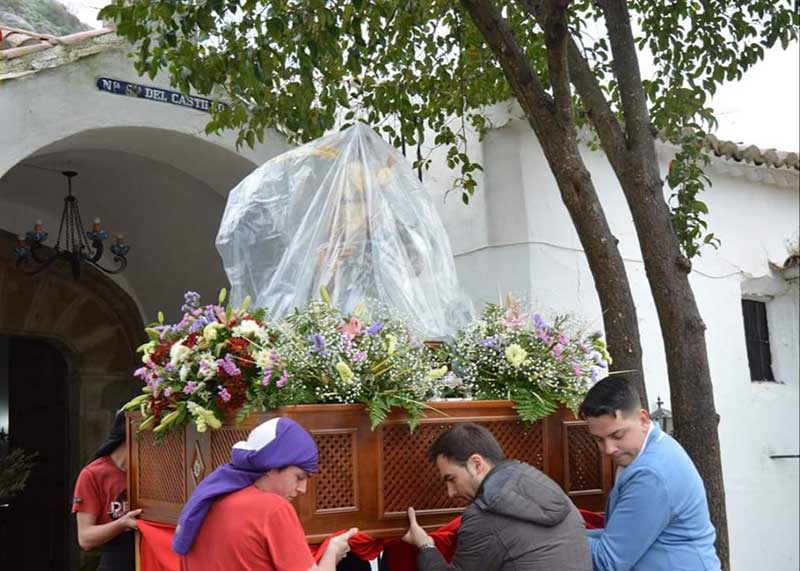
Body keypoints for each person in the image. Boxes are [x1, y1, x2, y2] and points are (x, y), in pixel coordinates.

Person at [174, 417, 356, 570]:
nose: (302, 489)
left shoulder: (206, 498)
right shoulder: (273, 508)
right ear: (271, 467)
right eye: (299, 477)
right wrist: (333, 551)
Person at [402, 422, 591, 570]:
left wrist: (426, 546)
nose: (450, 493)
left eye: (452, 479)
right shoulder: (546, 486)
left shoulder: (483, 516)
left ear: (476, 464)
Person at [580, 376, 721, 571]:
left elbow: (608, 561)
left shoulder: (651, 474)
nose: (609, 449)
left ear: (643, 420)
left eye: (617, 435)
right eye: (598, 440)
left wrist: (547, 539)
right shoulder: (655, 446)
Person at [72, 409, 141, 571]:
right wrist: (122, 523)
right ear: (129, 436)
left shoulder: (152, 470)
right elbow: (85, 539)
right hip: (115, 561)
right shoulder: (92, 474)